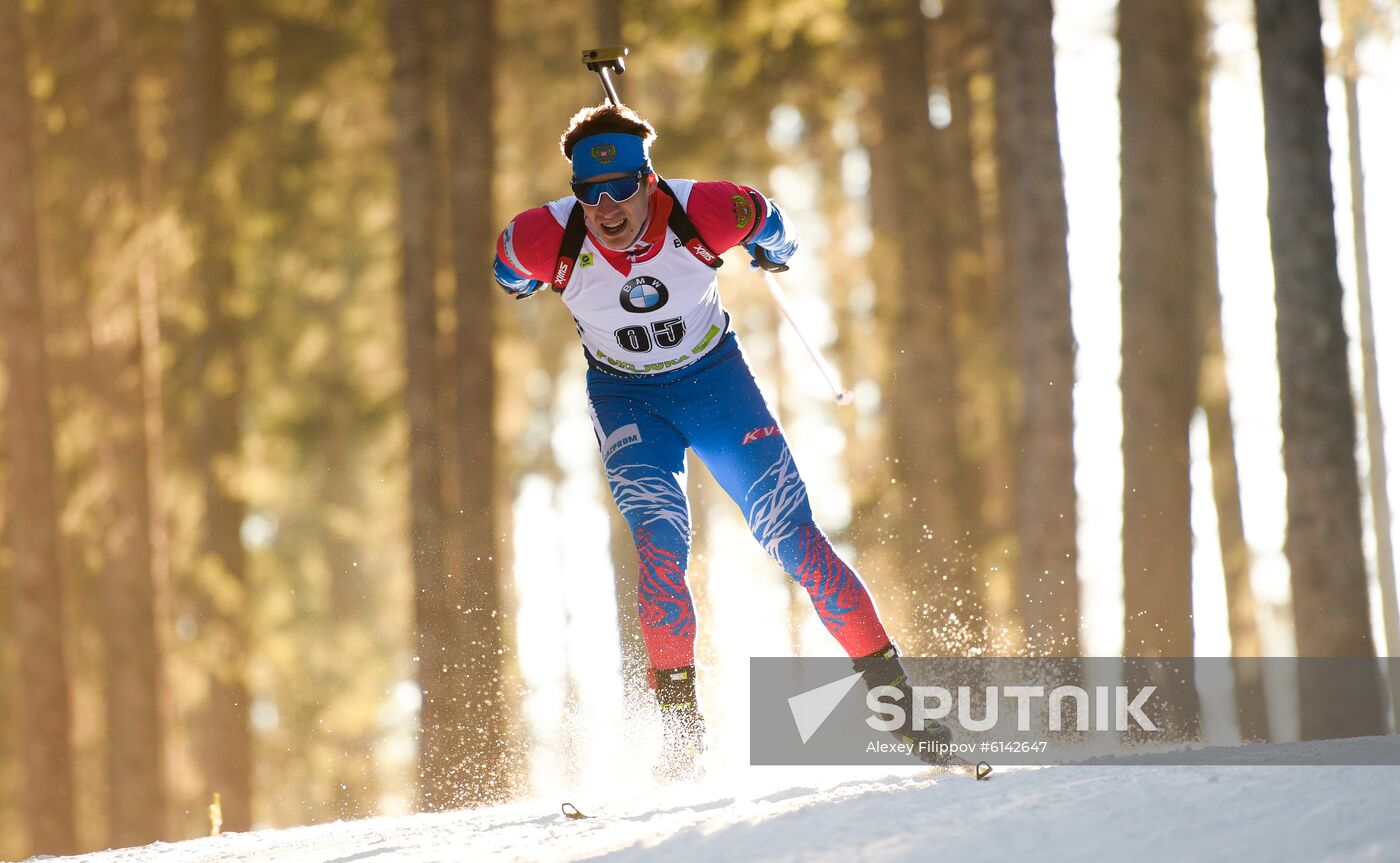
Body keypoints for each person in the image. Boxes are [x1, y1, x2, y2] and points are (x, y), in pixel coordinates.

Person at [493, 103, 948, 777]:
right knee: (660, 538)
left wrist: (775, 251)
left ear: (649, 180)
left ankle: (901, 706)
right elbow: (507, 270)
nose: (608, 207)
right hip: (627, 398)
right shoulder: (543, 235)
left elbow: (769, 220)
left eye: (622, 188)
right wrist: (527, 279)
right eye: (591, 194)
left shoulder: (704, 210)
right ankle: (681, 736)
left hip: (715, 387)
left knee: (793, 535)